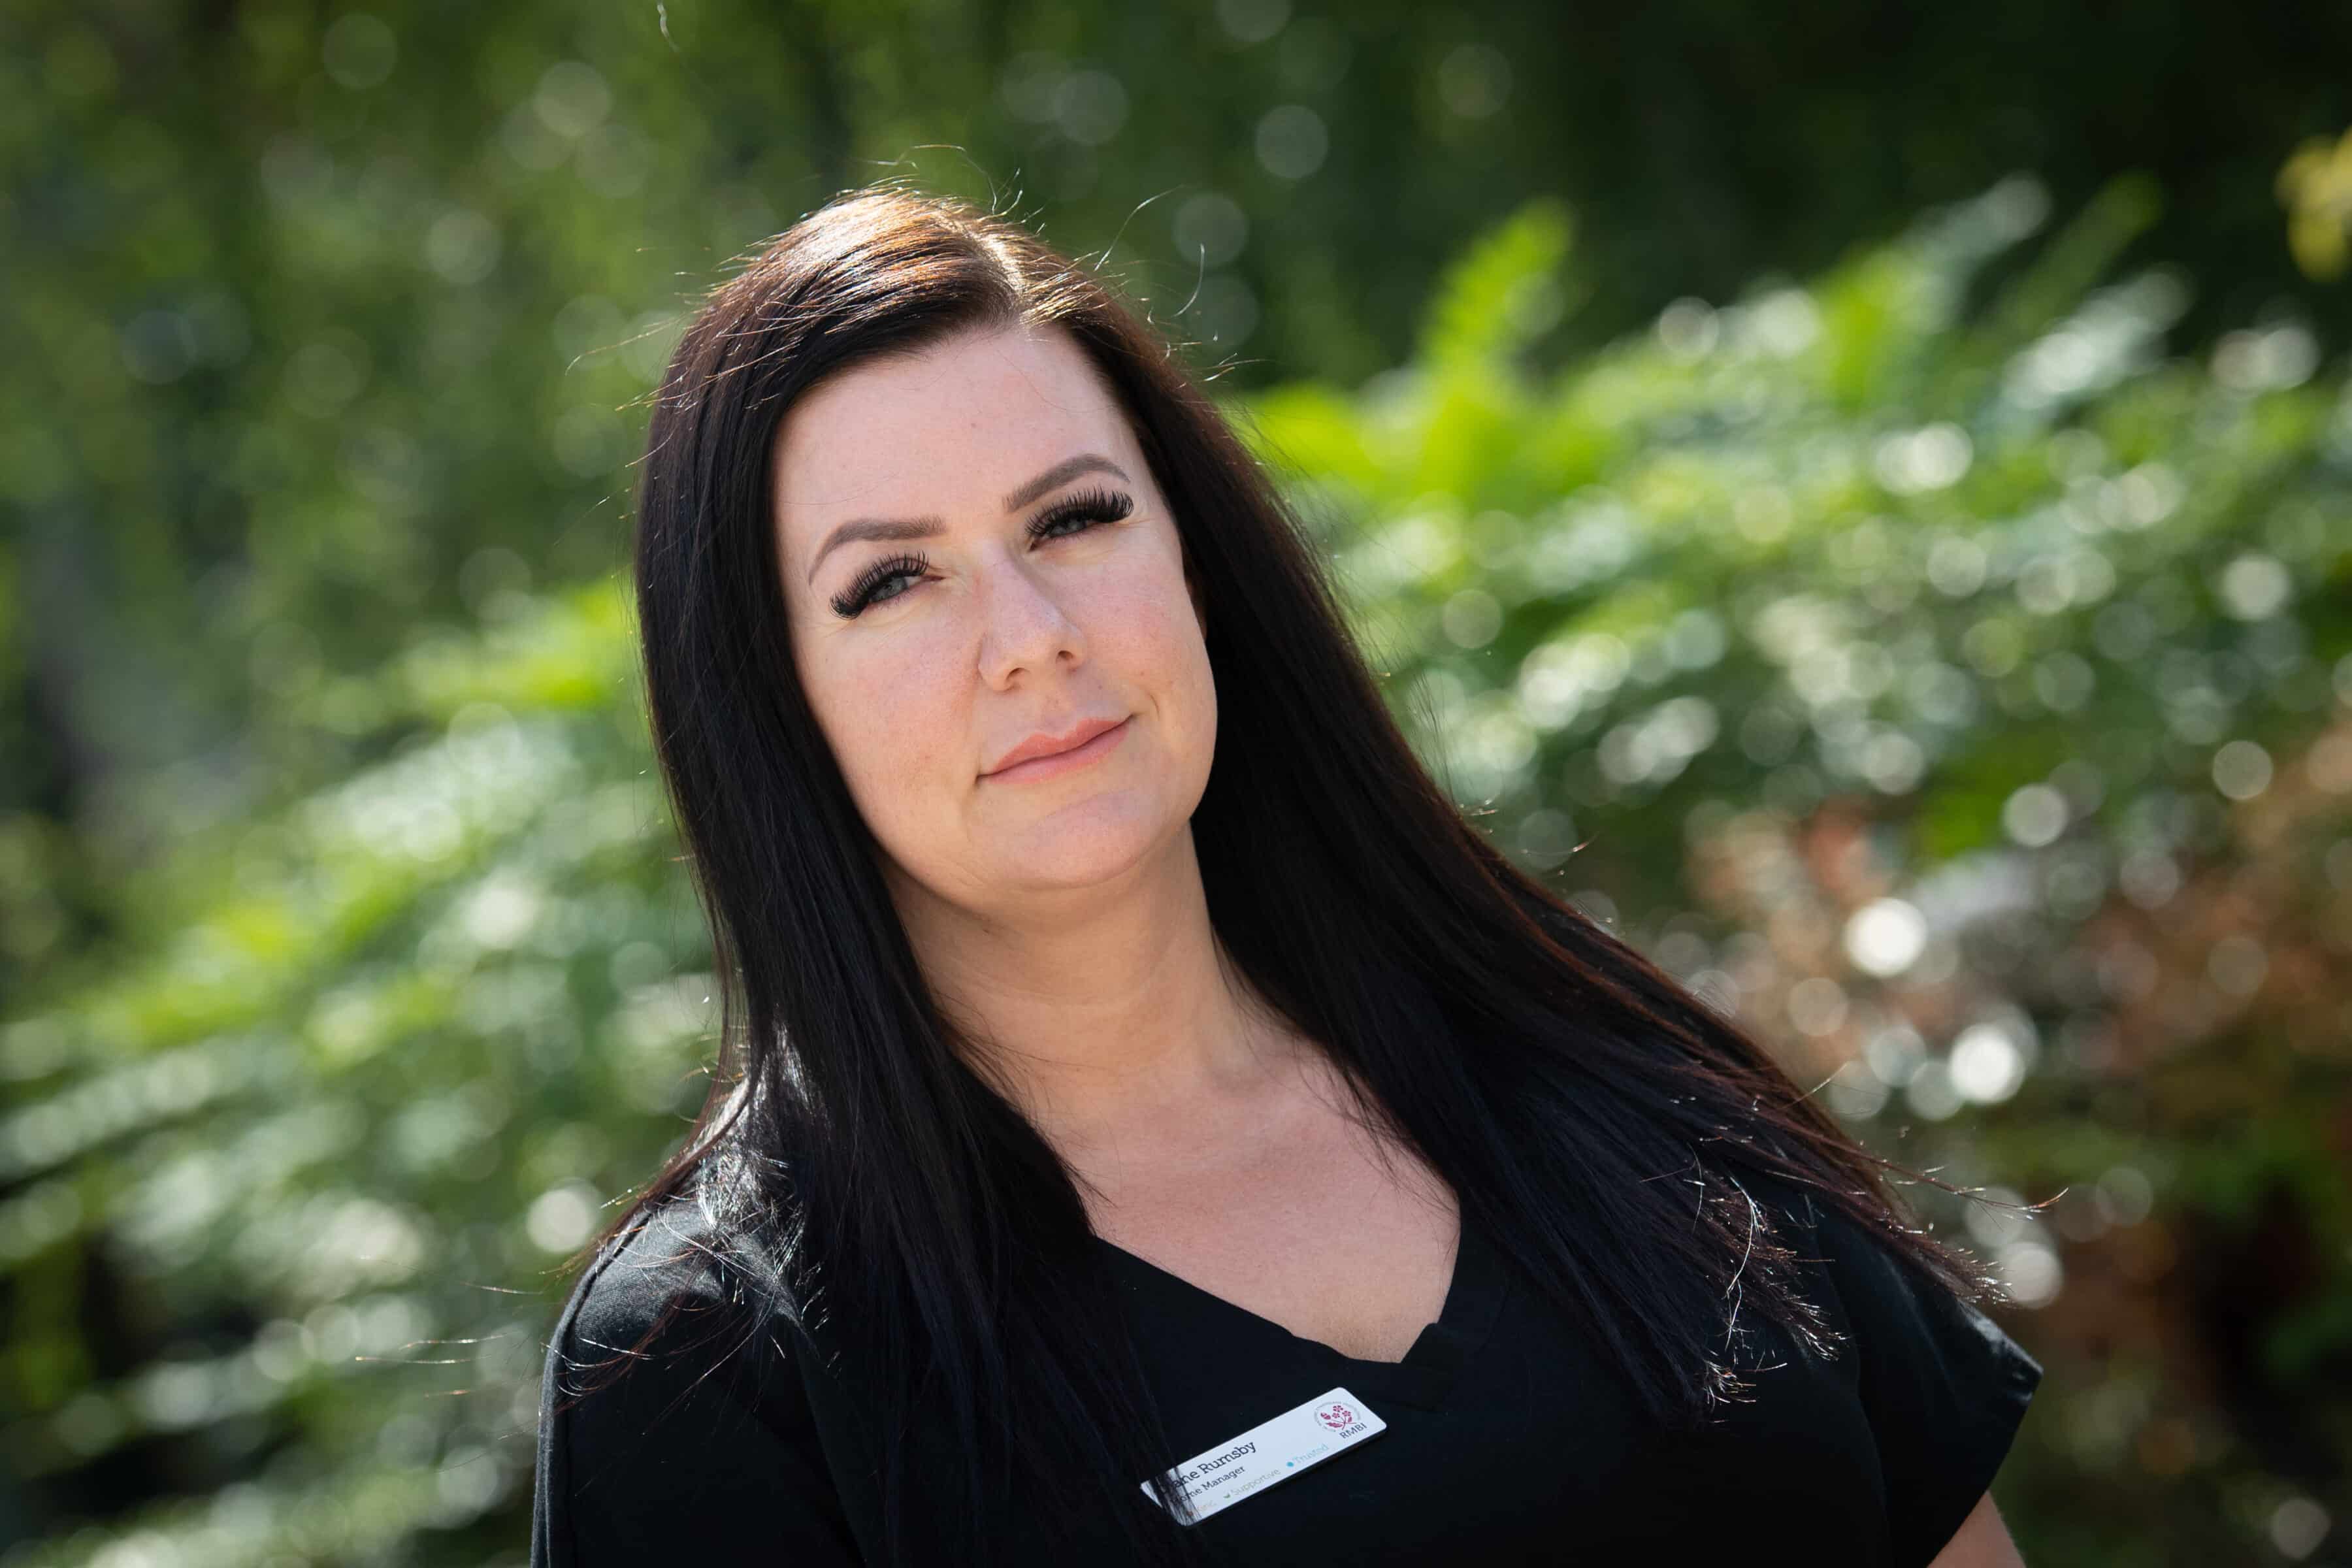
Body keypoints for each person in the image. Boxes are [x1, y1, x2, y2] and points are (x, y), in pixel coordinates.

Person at [528, 183, 2042, 1567]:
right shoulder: (717, 1369)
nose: (1034, 630)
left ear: (1197, 558)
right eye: (892, 580)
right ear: (767, 695)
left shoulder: (1602, 1083)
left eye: (1076, 517)